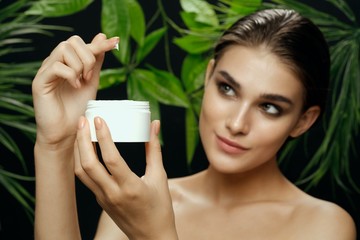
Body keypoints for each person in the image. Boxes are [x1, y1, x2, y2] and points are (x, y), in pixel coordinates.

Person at [32, 9, 356, 240]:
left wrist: (153, 235)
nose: (236, 123)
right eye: (227, 89)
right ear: (209, 75)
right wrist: (54, 144)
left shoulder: (323, 226)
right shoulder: (138, 201)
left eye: (269, 107)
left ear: (303, 120)